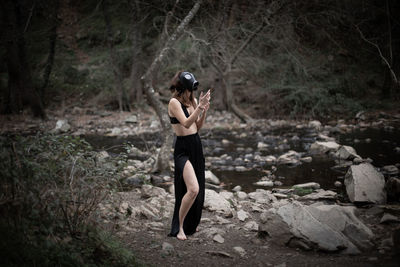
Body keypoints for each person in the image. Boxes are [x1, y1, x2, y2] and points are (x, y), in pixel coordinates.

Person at [168, 71, 211, 240]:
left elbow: (197, 127)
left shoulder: (192, 101)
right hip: (182, 148)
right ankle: (179, 228)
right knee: (192, 188)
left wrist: (204, 110)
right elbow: (185, 124)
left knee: (198, 190)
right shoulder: (174, 102)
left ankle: (191, 225)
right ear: (182, 87)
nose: (191, 91)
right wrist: (199, 107)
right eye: (189, 88)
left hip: (196, 144)